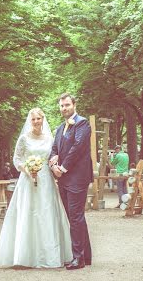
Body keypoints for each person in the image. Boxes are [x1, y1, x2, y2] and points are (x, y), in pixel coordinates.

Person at [0, 108, 72, 268]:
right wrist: (27, 169)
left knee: (46, 213)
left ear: (43, 120)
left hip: (46, 180)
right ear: (30, 121)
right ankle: (24, 256)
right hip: (27, 180)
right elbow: (16, 159)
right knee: (28, 213)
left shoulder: (50, 139)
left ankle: (50, 255)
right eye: (33, 119)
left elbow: (53, 158)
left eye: (38, 119)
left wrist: (53, 166)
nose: (36, 121)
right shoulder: (24, 138)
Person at [49, 93, 93, 270]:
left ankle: (78, 258)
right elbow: (53, 149)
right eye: (61, 106)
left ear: (74, 105)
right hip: (63, 179)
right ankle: (86, 255)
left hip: (77, 177)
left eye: (67, 105)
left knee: (75, 216)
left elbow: (78, 147)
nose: (64, 108)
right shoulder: (60, 128)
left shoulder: (82, 123)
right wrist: (53, 164)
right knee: (74, 217)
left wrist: (63, 167)